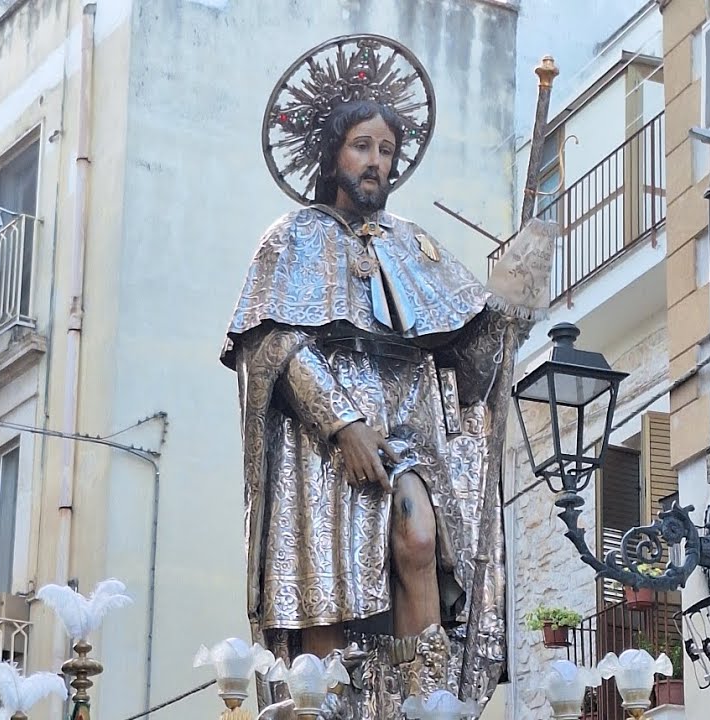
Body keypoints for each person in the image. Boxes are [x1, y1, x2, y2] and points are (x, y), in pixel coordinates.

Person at [221, 35, 551, 717]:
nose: (377, 163)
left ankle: (424, 697)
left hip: (408, 422)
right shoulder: (292, 237)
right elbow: (269, 340)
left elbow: (474, 361)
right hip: (324, 436)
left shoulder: (413, 243)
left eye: (387, 152)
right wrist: (339, 423)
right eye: (364, 146)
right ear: (333, 153)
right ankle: (322, 701)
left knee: (420, 535)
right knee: (327, 573)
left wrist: (511, 298)